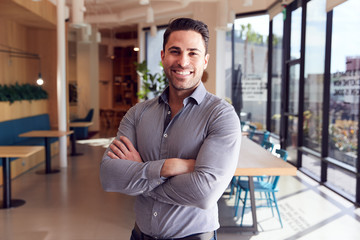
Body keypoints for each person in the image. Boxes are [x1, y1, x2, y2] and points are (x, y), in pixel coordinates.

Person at [100, 17, 241, 240]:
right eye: (175, 51)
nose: (183, 62)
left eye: (193, 53)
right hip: (140, 235)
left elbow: (205, 193)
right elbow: (109, 175)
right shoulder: (138, 113)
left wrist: (142, 171)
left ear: (205, 60)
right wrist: (169, 167)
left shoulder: (220, 115)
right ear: (163, 56)